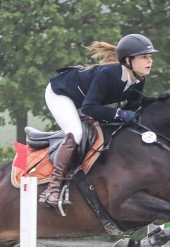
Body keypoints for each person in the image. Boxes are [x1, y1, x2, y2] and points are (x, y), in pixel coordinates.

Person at [38, 33, 158, 209]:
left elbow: (133, 107)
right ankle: (53, 188)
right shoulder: (109, 73)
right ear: (128, 60)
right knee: (76, 133)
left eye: (150, 57)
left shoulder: (138, 79)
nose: (150, 61)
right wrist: (120, 114)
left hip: (84, 99)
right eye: (144, 57)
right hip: (61, 93)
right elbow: (89, 108)